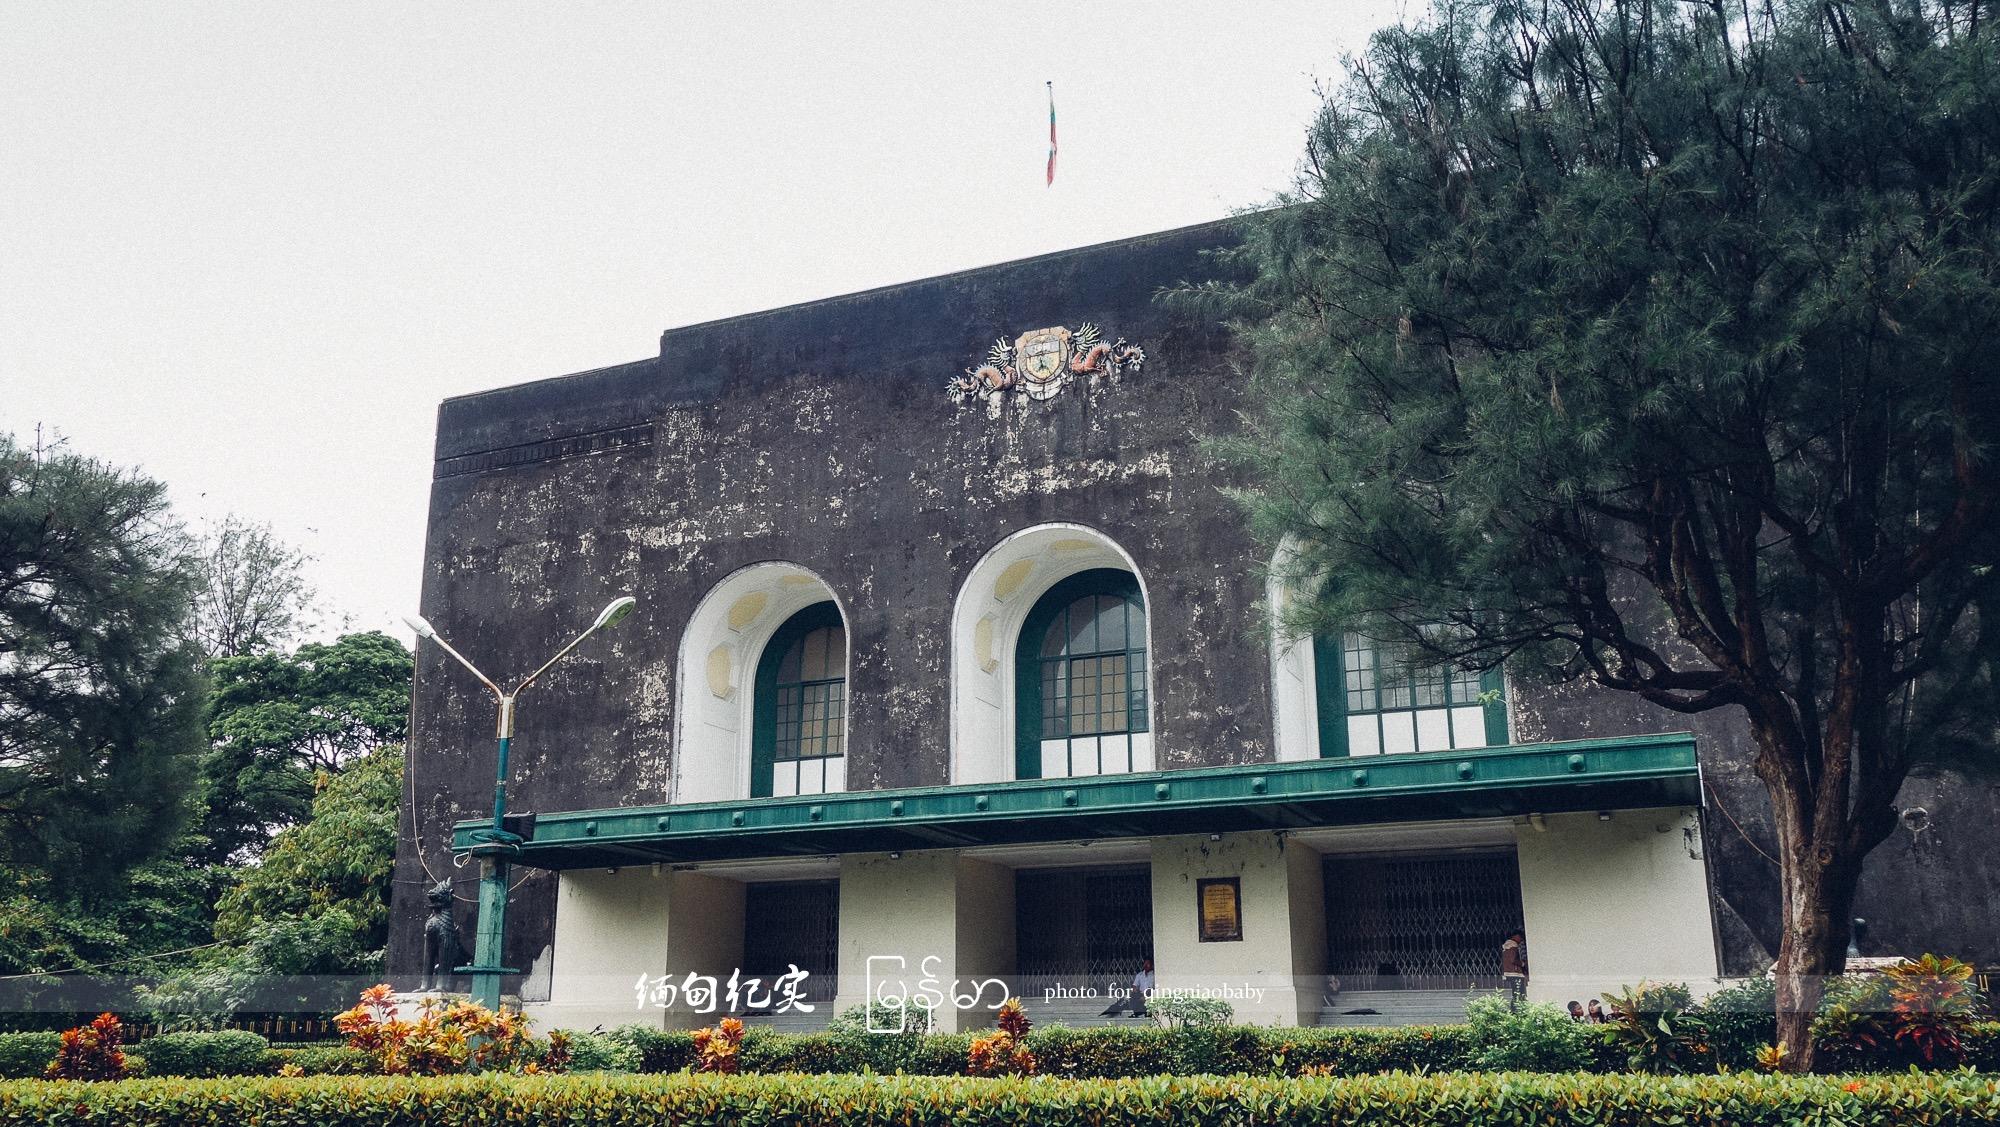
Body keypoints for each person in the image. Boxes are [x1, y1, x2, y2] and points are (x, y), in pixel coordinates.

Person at [1500, 930, 1528, 1007]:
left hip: (1509, 972)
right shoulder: (1513, 946)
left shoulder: (1507, 946)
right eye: (1521, 938)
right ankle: (1516, 1009)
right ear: (1516, 936)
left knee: (1515, 992)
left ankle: (1515, 1008)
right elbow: (1513, 960)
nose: (1521, 940)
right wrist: (1522, 963)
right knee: (1519, 992)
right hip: (1515, 973)